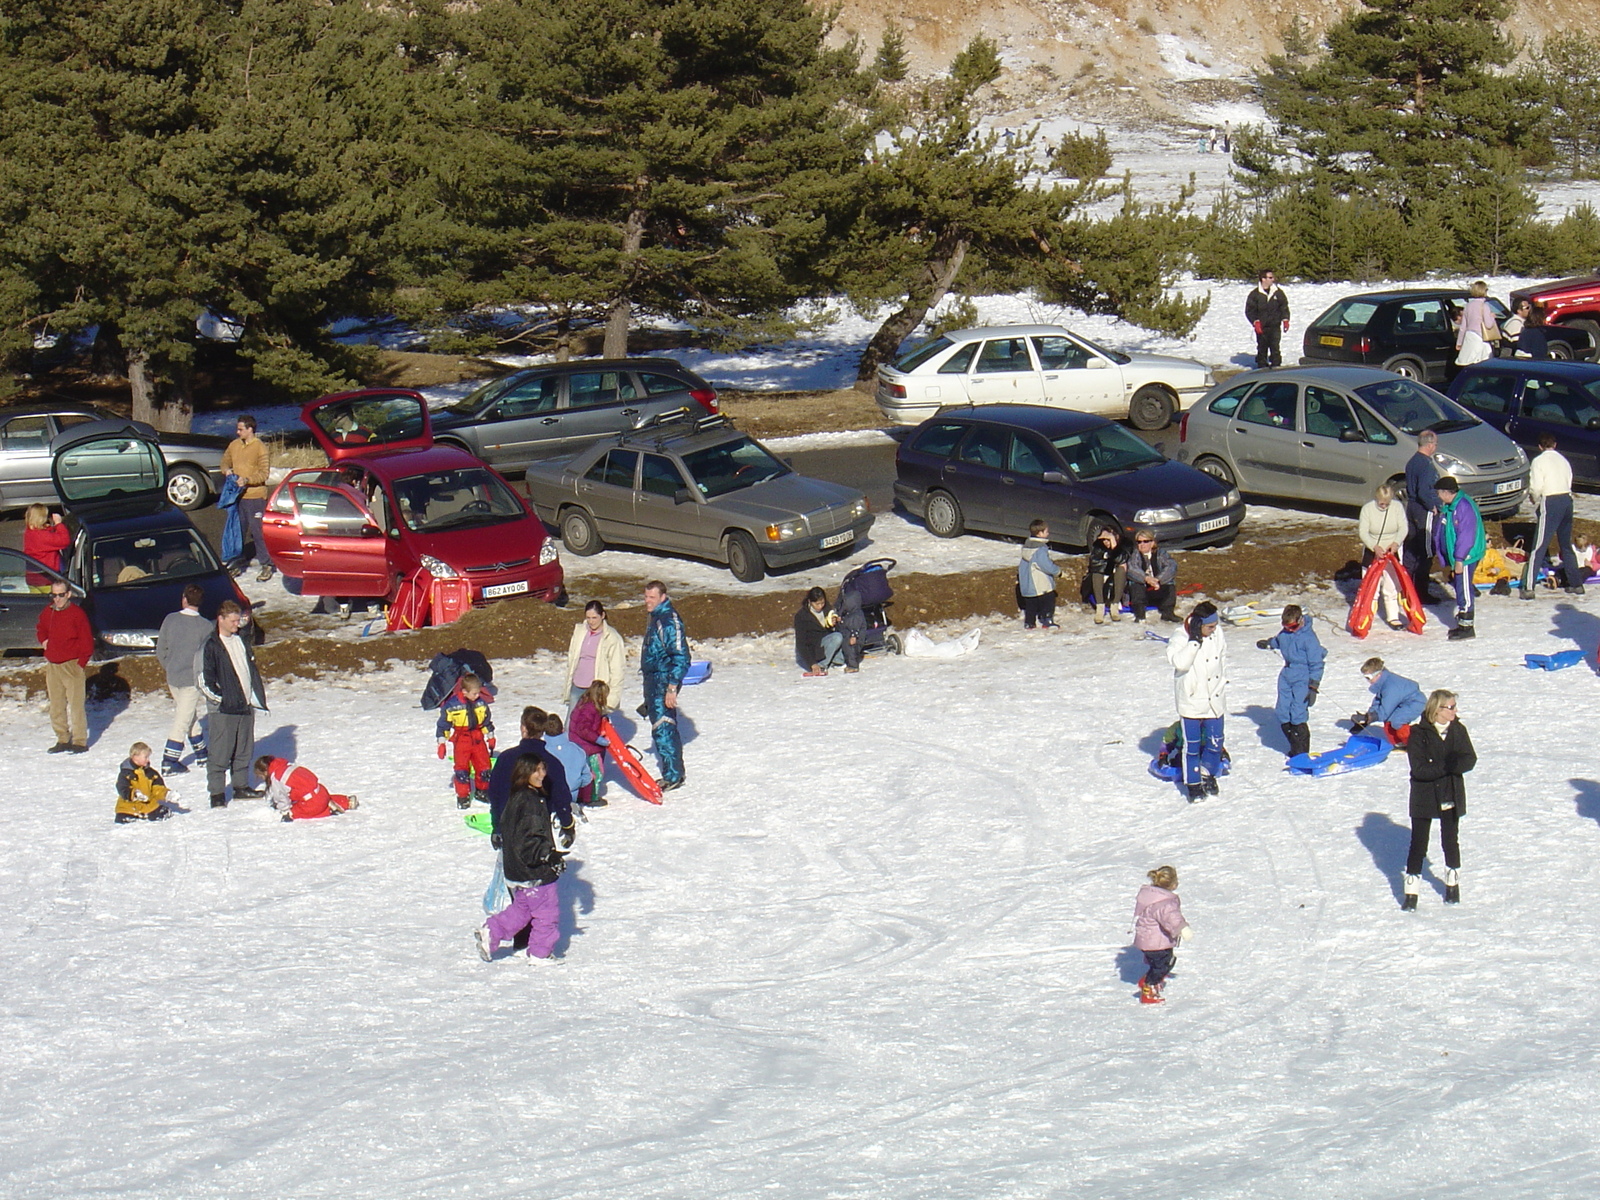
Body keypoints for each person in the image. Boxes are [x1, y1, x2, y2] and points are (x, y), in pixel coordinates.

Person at [474, 755, 568, 965]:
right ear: (524, 773)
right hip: (534, 871)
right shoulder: (530, 802)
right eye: (536, 771)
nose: (541, 774)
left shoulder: (516, 797)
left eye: (543, 769)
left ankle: (492, 932)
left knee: (522, 910)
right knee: (546, 913)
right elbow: (529, 838)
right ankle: (540, 953)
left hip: (517, 870)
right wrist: (547, 855)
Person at [1402, 689, 1476, 910]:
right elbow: (1420, 769)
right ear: (1437, 709)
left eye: (1454, 707)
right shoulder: (1419, 734)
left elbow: (1469, 758)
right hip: (1424, 796)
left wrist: (1452, 766)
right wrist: (1446, 766)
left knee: (1450, 841)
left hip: (1449, 793)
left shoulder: (1458, 730)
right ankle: (1411, 894)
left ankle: (1453, 887)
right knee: (1418, 844)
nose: (1454, 711)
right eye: (1450, 707)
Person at [196, 599, 267, 806]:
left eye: (238, 620)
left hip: (245, 706)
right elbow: (204, 681)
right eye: (233, 621)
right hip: (224, 711)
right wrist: (223, 699)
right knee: (220, 753)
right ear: (221, 619)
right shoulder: (211, 646)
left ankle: (241, 786)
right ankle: (217, 794)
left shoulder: (241, 640)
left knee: (244, 750)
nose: (237, 624)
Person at [1166, 600, 1227, 802]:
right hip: (1192, 699)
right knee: (1191, 746)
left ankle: (1207, 774)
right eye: (1210, 627)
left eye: (1215, 626)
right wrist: (1194, 641)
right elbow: (1180, 663)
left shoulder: (1217, 634)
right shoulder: (1180, 636)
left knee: (1215, 742)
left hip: (1214, 697)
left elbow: (1222, 659)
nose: (1214, 630)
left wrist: (1221, 684)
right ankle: (1193, 784)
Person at [487, 706, 575, 835]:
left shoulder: (506, 758)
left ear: (523, 728)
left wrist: (497, 828)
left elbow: (495, 795)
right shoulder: (552, 763)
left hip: (510, 828)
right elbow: (561, 797)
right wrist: (567, 825)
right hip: (539, 828)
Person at [155, 583, 211, 774]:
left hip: (173, 677)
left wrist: (169, 666)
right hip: (192, 680)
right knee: (182, 720)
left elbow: (161, 649)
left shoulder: (170, 619)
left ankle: (202, 754)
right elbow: (207, 656)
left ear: (184, 599)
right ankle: (169, 761)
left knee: (188, 716)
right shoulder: (205, 626)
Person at [1257, 604, 1325, 759]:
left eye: (1293, 626)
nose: (1289, 630)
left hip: (1303, 676)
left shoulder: (1309, 639)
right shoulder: (1285, 633)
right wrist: (1268, 643)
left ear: (1300, 620)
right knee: (1282, 711)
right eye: (1286, 627)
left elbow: (1317, 663)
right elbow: (1279, 640)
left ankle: (1301, 752)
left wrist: (1313, 685)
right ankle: (1294, 745)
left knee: (1297, 713)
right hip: (1287, 674)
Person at [1522, 432, 1584, 598]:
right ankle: (1576, 583)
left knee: (1539, 545)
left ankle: (1528, 587)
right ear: (1554, 445)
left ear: (1540, 447)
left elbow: (1536, 486)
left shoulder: (1539, 461)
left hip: (1551, 501)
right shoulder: (1563, 460)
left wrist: (1534, 498)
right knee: (1566, 544)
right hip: (1566, 500)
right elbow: (1569, 479)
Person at [641, 580, 689, 791]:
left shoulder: (668, 621)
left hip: (663, 680)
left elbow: (681, 657)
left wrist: (672, 687)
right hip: (653, 679)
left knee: (664, 726)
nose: (647, 602)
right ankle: (671, 770)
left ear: (662, 597)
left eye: (652, 598)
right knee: (658, 726)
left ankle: (674, 774)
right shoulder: (656, 617)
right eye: (646, 597)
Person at [36, 580, 93, 753]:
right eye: (54, 595)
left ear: (68, 594)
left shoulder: (77, 613)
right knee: (56, 705)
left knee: (76, 706)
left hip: (72, 664)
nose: (57, 599)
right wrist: (44, 640)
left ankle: (79, 741)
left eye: (61, 595)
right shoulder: (48, 611)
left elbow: (86, 640)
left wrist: (81, 663)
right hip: (53, 665)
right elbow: (41, 628)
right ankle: (62, 739)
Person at [1432, 477, 1486, 641]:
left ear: (1446, 493)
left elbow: (1466, 536)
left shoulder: (1463, 508)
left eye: (1439, 493)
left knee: (1464, 589)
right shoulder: (1450, 506)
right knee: (1460, 586)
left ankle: (1467, 626)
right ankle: (1463, 621)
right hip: (1459, 556)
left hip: (1465, 556)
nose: (1438, 496)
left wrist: (1460, 559)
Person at [221, 415, 273, 581]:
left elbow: (264, 473)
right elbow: (224, 461)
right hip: (238, 496)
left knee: (258, 532)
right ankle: (236, 561)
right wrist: (226, 470)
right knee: (237, 530)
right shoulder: (234, 445)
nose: (238, 432)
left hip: (255, 496)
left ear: (250, 429)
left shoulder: (260, 448)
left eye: (241, 429)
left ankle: (266, 564)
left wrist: (248, 480)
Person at [1133, 864, 1192, 1004]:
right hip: (1156, 942)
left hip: (1147, 939)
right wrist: (1183, 928)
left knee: (1160, 963)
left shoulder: (1152, 896)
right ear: (1172, 884)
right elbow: (1172, 918)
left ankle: (1150, 979)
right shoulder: (1165, 903)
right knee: (1163, 965)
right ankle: (1149, 988)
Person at [436, 672, 495, 809]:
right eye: (474, 693)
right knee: (462, 770)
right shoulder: (452, 706)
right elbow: (444, 725)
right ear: (464, 691)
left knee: (484, 767)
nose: (477, 696)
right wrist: (441, 742)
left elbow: (486, 721)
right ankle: (463, 796)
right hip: (462, 740)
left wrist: (490, 737)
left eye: (478, 693)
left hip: (478, 738)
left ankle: (482, 791)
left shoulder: (481, 703)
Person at [1357, 483, 1410, 629]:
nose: (1384, 506)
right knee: (1370, 587)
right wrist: (1374, 547)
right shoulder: (1367, 509)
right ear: (1376, 498)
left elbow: (1403, 528)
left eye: (1387, 504)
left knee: (1391, 586)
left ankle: (1393, 617)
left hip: (1391, 551)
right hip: (1372, 550)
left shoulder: (1397, 507)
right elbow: (1363, 532)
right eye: (1381, 503)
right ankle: (1366, 616)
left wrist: (1396, 543)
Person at [254, 754, 357, 821]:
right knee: (321, 798)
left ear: (265, 772)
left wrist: (285, 812)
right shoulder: (288, 766)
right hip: (321, 791)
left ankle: (327, 810)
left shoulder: (277, 778)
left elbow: (281, 798)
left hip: (311, 803)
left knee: (297, 812)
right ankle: (346, 801)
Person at [563, 601, 625, 710]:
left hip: (595, 690)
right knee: (571, 724)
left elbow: (617, 670)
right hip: (577, 685)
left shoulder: (611, 637)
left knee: (592, 723)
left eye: (594, 618)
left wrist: (612, 699)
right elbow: (572, 658)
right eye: (588, 618)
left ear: (603, 616)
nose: (591, 622)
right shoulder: (580, 632)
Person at [1351, 657, 1426, 747]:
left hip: (1415, 702)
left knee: (1397, 721)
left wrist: (1370, 717)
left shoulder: (1391, 688)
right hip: (1402, 703)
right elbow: (1378, 701)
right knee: (1388, 722)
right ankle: (1398, 743)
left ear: (1378, 674)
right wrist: (1368, 717)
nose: (1367, 681)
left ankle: (1414, 744)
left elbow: (1385, 711)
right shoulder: (1382, 683)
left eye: (1368, 677)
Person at [1404, 430, 1442, 601]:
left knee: (1411, 549)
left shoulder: (1412, 461)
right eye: (1435, 444)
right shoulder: (1426, 464)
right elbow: (1423, 491)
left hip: (1411, 507)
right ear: (1429, 445)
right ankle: (1421, 592)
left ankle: (1406, 587)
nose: (1435, 447)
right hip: (1423, 509)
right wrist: (1432, 506)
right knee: (1426, 550)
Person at [567, 680, 611, 808]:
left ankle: (581, 795)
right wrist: (598, 739)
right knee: (596, 772)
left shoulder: (584, 703)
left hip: (577, 743)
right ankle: (591, 797)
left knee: (582, 771)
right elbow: (583, 728)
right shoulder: (590, 708)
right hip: (587, 746)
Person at [540, 711, 592, 813]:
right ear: (562, 729)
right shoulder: (577, 750)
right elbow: (587, 776)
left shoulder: (542, 751)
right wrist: (576, 783)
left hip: (549, 796)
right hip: (571, 793)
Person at [1127, 529, 1179, 623]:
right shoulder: (1135, 555)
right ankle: (1140, 615)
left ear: (1152, 542)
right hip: (1143, 589)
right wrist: (1146, 578)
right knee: (1135, 582)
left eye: (1146, 541)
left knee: (1170, 582)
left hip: (1157, 586)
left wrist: (1158, 580)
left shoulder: (1161, 553)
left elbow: (1171, 566)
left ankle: (1168, 613)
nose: (1142, 544)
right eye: (1139, 542)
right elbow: (1132, 569)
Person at [115, 742, 174, 824]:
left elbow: (157, 787)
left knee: (163, 811)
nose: (148, 760)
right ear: (135, 757)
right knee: (124, 816)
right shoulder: (126, 774)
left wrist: (166, 794)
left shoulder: (150, 773)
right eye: (145, 757)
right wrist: (134, 794)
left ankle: (149, 813)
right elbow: (122, 788)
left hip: (148, 805)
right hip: (129, 806)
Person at [1017, 520, 1061, 631]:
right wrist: (1057, 571)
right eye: (1046, 531)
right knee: (1048, 600)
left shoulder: (1027, 546)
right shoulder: (1040, 549)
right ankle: (1047, 620)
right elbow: (1045, 565)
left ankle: (1029, 622)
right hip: (1040, 583)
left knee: (1031, 604)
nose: (1048, 533)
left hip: (1028, 583)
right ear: (1040, 533)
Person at [794, 585, 848, 673]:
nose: (820, 606)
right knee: (837, 637)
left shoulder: (827, 609)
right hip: (815, 647)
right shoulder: (801, 617)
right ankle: (821, 665)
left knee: (841, 658)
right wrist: (812, 663)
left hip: (828, 642)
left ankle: (835, 661)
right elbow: (801, 644)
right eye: (817, 604)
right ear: (810, 602)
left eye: (822, 603)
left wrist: (835, 622)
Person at [1245, 269, 1290, 368]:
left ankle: (1276, 368)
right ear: (1263, 279)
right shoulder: (1255, 294)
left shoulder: (1278, 293)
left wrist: (1285, 319)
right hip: (1262, 327)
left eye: (1272, 277)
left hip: (1274, 326)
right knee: (1262, 348)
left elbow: (1284, 306)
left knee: (1275, 348)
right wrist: (1255, 321)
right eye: (1269, 277)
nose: (1272, 279)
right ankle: (1262, 368)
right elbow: (1250, 310)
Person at [1086, 524, 1129, 625]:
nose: (1105, 542)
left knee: (1121, 570)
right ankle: (1100, 607)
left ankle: (1115, 606)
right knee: (1097, 573)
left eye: (1108, 539)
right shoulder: (1098, 546)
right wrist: (1107, 558)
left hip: (1117, 576)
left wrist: (1114, 547)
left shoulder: (1124, 545)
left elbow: (1121, 561)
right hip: (1103, 574)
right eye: (1104, 539)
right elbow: (1095, 564)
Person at [23, 503, 69, 592]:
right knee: (52, 603)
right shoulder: (43, 536)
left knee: (37, 604)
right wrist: (59, 524)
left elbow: (44, 534)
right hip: (46, 579)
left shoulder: (29, 532)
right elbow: (64, 541)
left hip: (32, 578)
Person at [1453, 280, 1499, 367]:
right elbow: (1488, 325)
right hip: (1481, 339)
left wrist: (1459, 343)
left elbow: (1463, 327)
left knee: (1469, 363)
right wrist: (1492, 317)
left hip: (1469, 337)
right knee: (1484, 364)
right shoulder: (1484, 306)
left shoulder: (1468, 306)